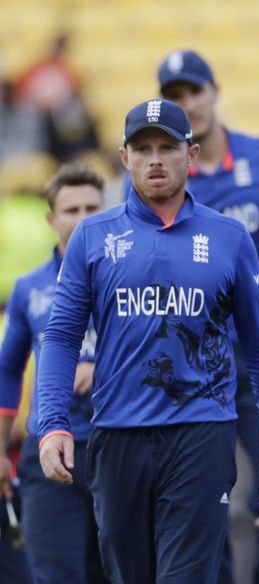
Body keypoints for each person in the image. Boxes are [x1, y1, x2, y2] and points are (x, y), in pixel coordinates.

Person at [35, 99, 259, 583]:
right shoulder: (93, 237)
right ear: (124, 157)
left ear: (190, 155)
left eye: (167, 148)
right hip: (118, 435)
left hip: (202, 433)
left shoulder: (229, 237)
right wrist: (53, 424)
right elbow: (62, 336)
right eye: (143, 148)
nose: (155, 159)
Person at [153, 49, 259, 583]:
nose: (188, 103)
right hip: (189, 362)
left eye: (194, 90)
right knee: (203, 508)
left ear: (215, 90)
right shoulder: (159, 175)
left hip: (258, 350)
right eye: (174, 97)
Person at [0, 163, 106, 583]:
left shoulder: (133, 275)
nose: (82, 219)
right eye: (71, 209)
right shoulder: (29, 287)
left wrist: (103, 370)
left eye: (91, 208)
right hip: (47, 455)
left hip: (117, 448)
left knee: (117, 571)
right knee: (54, 574)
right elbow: (8, 368)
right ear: (50, 219)